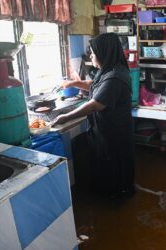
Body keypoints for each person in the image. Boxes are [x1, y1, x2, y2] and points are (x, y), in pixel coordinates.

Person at [52, 33, 135, 198]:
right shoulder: (110, 70)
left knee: (114, 164)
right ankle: (109, 194)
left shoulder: (115, 76)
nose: (91, 56)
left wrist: (66, 116)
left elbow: (95, 104)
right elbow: (95, 84)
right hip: (108, 129)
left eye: (93, 53)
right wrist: (73, 83)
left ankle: (116, 200)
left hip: (113, 132)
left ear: (104, 53)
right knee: (108, 163)